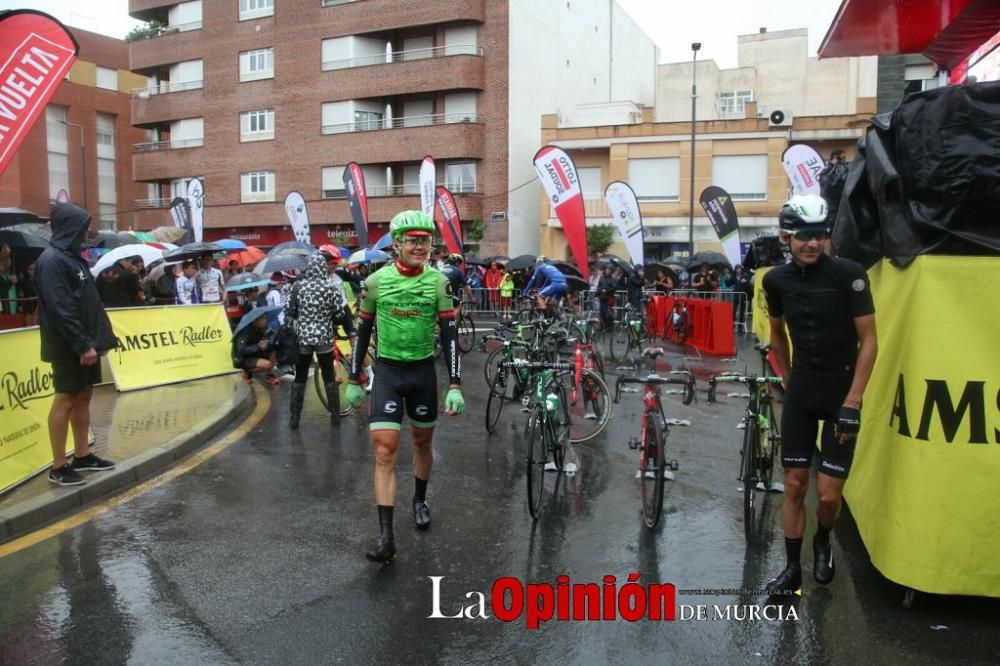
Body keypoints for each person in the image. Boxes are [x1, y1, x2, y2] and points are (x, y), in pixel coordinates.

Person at [762, 193, 878, 595]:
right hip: (802, 393)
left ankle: (823, 538)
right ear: (786, 237)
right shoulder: (775, 280)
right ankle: (793, 570)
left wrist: (854, 400)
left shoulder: (849, 274)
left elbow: (870, 342)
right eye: (803, 235)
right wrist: (788, 379)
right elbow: (777, 334)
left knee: (828, 495)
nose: (812, 243)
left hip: (842, 395)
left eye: (819, 234)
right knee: (794, 484)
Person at [344, 210, 463, 564]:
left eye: (425, 241)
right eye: (412, 240)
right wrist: (354, 377)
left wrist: (455, 384)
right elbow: (362, 331)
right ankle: (386, 537)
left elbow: (450, 335)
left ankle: (420, 499)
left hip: (423, 373)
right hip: (389, 374)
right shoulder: (375, 282)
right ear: (396, 244)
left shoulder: (439, 283)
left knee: (422, 444)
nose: (420, 247)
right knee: (384, 451)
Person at [36, 203, 118, 486]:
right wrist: (82, 344)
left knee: (84, 396)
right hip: (68, 346)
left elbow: (88, 303)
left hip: (85, 342)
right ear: (70, 227)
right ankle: (58, 466)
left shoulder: (73, 258)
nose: (86, 232)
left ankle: (82, 455)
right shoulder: (52, 260)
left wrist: (99, 341)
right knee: (66, 399)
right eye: (82, 226)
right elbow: (60, 308)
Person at [283, 253, 349, 429]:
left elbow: (289, 312)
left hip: (303, 337)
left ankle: (294, 417)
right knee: (328, 375)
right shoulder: (331, 287)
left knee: (301, 376)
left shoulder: (298, 286)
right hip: (324, 337)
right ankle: (335, 414)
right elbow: (340, 315)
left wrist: (300, 321)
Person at [232, 313, 279, 385]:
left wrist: (266, 342)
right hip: (242, 358)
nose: (265, 321)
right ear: (255, 321)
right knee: (268, 365)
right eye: (262, 319)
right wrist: (258, 346)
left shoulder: (260, 329)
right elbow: (241, 350)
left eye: (266, 318)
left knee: (273, 350)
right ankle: (246, 371)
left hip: (254, 354)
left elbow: (264, 343)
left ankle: (269, 375)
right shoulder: (245, 332)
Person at [596, 265, 618, 330]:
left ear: (611, 271)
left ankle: (610, 326)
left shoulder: (613, 279)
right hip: (602, 297)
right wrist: (597, 293)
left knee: (608, 313)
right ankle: (602, 326)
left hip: (609, 298)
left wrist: (607, 290)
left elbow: (614, 288)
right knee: (602, 313)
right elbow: (599, 287)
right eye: (606, 269)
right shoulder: (601, 278)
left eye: (609, 270)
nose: (607, 271)